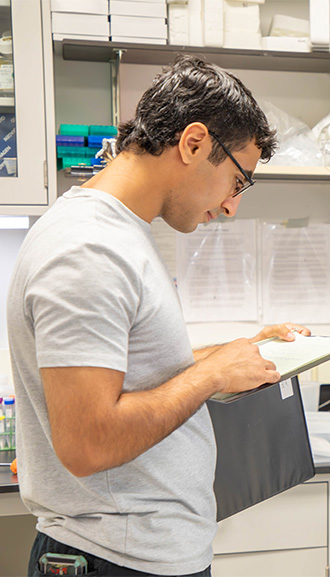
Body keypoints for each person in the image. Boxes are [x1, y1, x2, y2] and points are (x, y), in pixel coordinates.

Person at [7, 55, 310, 576]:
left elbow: (131, 370)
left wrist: (232, 354)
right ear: (193, 143)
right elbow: (88, 442)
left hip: (137, 554)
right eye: (238, 180)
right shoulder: (89, 249)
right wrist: (212, 375)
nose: (233, 205)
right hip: (114, 559)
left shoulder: (119, 234)